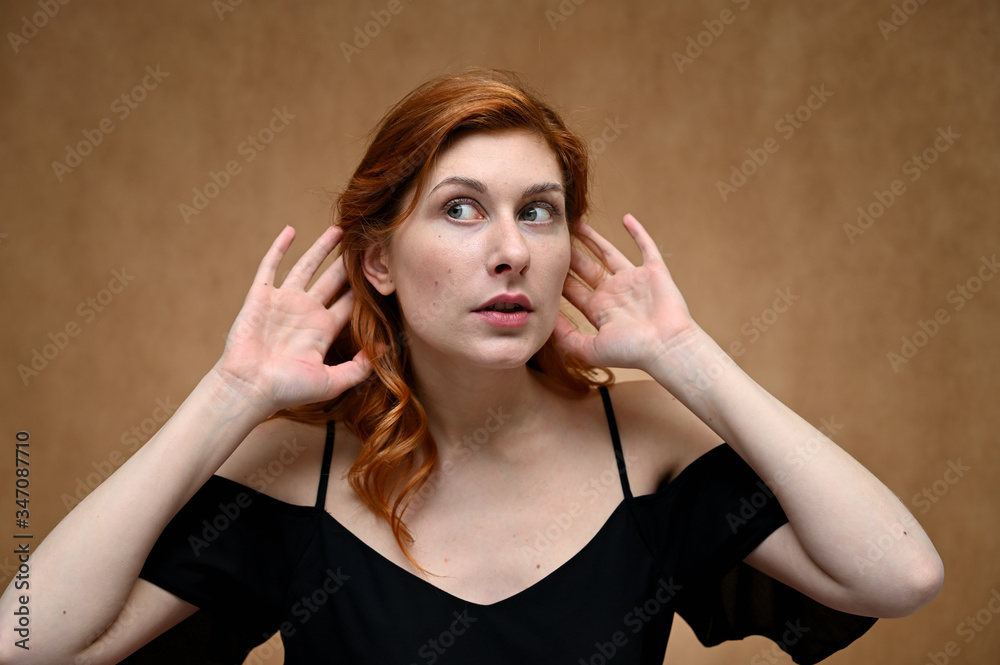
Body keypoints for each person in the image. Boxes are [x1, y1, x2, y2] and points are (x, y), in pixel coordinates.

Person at [0, 69, 943, 665]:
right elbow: (26, 636)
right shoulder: (296, 473)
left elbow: (899, 575)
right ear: (379, 260)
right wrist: (230, 397)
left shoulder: (646, 444)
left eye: (538, 211)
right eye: (460, 209)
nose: (511, 251)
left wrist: (688, 359)